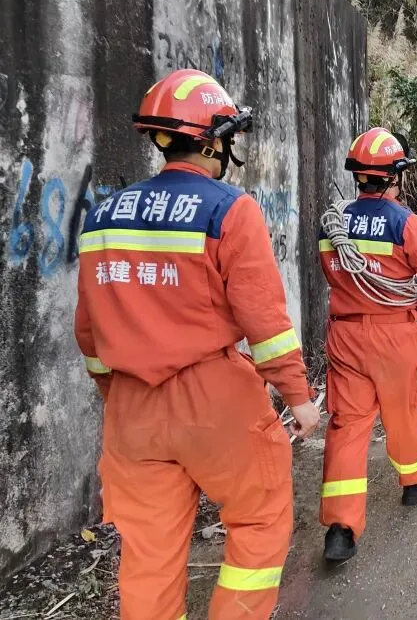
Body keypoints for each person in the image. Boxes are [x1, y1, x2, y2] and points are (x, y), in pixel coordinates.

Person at [74, 69, 320, 620]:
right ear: (213, 142)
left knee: (148, 555)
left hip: (131, 409)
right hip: (214, 399)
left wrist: (116, 393)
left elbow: (88, 330)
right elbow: (265, 321)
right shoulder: (229, 209)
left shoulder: (103, 217)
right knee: (259, 519)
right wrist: (298, 397)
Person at [318, 127, 417, 562]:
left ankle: (340, 529)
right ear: (395, 176)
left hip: (345, 335)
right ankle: (415, 480)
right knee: (401, 411)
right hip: (395, 334)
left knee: (348, 426)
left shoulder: (333, 223)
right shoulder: (405, 223)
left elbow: (334, 272)